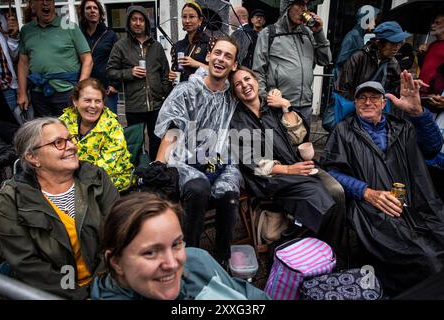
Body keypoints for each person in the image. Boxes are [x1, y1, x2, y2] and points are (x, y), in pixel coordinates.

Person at [321, 72, 444, 295]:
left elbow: (433, 147)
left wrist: (418, 113)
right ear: (355, 103)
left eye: (374, 97)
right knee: (427, 259)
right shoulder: (343, 131)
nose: (368, 102)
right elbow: (330, 170)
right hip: (374, 210)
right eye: (362, 98)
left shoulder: (403, 127)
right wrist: (366, 192)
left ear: (384, 103)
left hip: (418, 204)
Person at [229, 66, 346, 259]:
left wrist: (286, 105)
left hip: (295, 166)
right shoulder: (238, 121)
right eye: (238, 84)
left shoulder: (272, 107)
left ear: (257, 81)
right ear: (235, 93)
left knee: (335, 195)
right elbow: (252, 162)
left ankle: (322, 253)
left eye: (248, 79)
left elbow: (298, 138)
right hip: (269, 178)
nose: (245, 85)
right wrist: (290, 169)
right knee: (323, 199)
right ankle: (293, 248)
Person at [0, 117, 119, 299]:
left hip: (107, 283)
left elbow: (119, 233)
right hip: (52, 292)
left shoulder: (96, 178)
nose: (71, 146)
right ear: (33, 157)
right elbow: (27, 264)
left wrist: (98, 286)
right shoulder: (12, 199)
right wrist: (78, 294)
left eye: (70, 139)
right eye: (58, 142)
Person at [154, 36, 241, 267]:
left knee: (229, 193)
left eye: (228, 56)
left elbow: (253, 93)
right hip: (185, 160)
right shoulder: (186, 91)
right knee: (199, 187)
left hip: (217, 160)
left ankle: (222, 258)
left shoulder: (232, 96)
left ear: (234, 65)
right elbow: (172, 128)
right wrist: (159, 166)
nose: (221, 59)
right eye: (218, 53)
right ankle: (190, 257)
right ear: (209, 56)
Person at [90, 192, 269, 300]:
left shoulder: (197, 259)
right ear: (117, 263)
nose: (173, 264)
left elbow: (248, 294)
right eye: (151, 252)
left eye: (176, 244)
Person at [107, 5, 172, 161]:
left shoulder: (156, 46)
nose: (138, 23)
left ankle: (155, 168)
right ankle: (137, 170)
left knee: (156, 139)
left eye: (141, 20)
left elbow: (165, 72)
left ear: (146, 23)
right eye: (134, 19)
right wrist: (130, 73)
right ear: (129, 22)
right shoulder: (120, 46)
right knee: (135, 141)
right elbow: (110, 71)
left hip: (156, 104)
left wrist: (164, 94)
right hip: (134, 105)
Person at [252, 0, 332, 124]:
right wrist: (265, 99)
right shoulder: (269, 33)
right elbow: (258, 71)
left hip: (304, 106)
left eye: (306, 5)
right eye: (299, 4)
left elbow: (325, 60)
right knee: (278, 143)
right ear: (287, 7)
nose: (304, 9)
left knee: (303, 143)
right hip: (279, 107)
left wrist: (319, 33)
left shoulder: (308, 33)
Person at [17, 0, 93, 118]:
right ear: (33, 5)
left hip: (67, 92)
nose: (45, 3)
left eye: (49, 0)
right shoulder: (26, 30)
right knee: (44, 132)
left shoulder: (70, 27)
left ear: (53, 4)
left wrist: (80, 89)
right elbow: (23, 63)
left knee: (70, 131)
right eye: (40, 0)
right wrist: (22, 93)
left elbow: (87, 60)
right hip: (38, 93)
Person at [59, 78, 134, 192]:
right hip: (69, 179)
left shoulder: (112, 127)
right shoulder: (64, 122)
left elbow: (105, 169)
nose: (93, 106)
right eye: (87, 100)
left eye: (98, 101)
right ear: (75, 101)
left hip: (107, 183)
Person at [337, 21, 411, 101]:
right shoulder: (359, 58)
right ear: (379, 44)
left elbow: (396, 90)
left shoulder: (393, 63)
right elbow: (342, 88)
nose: (396, 48)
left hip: (379, 110)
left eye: (399, 44)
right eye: (393, 44)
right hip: (356, 108)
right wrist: (359, 103)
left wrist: (408, 86)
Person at [78, 0, 120, 114]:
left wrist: (115, 84)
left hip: (106, 89)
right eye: (88, 8)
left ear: (100, 13)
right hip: (84, 87)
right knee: (87, 122)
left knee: (109, 124)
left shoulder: (110, 35)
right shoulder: (78, 34)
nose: (92, 11)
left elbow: (119, 60)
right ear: (83, 13)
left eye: (95, 8)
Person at [333, 5, 379, 79]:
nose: (374, 24)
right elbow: (341, 62)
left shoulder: (360, 35)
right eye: (373, 20)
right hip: (345, 83)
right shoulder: (354, 36)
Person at [169, 1, 209, 83]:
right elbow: (175, 71)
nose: (187, 21)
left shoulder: (209, 43)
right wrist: (172, 75)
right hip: (182, 92)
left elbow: (216, 71)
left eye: (191, 16)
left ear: (200, 20)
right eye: (184, 17)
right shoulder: (177, 46)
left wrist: (196, 64)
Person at [0, 9, 19, 112]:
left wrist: (13, 37)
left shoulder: (0, 19)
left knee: (11, 126)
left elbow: (14, 56)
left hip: (5, 88)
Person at [418, 13, 444, 109]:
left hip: (436, 97)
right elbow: (426, 68)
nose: (432, 25)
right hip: (422, 94)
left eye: (437, 23)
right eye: (433, 22)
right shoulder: (432, 45)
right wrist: (421, 56)